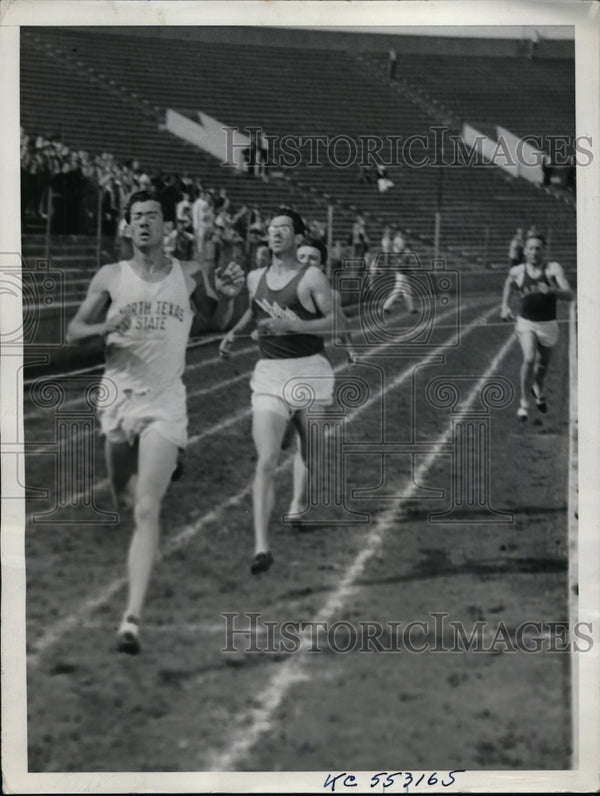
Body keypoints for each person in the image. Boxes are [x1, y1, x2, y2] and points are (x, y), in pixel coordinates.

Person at [66, 190, 245, 653]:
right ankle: (149, 472)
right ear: (127, 227)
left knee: (147, 508)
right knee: (123, 494)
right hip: (117, 399)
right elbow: (73, 332)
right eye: (137, 217)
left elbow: (211, 321)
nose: (145, 222)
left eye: (153, 216)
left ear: (168, 227)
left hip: (166, 401)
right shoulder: (110, 275)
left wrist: (225, 299)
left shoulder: (188, 274)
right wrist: (101, 329)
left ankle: (131, 620)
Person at [218, 209, 336, 575]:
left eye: (284, 229)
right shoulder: (255, 277)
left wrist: (289, 324)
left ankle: (300, 498)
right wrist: (234, 330)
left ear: (299, 238)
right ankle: (261, 547)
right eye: (271, 229)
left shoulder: (312, 276)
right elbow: (253, 313)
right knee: (266, 460)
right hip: (269, 375)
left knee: (312, 453)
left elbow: (335, 322)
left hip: (308, 373)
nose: (275, 234)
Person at [500, 233, 573, 421]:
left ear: (544, 250)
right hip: (526, 322)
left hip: (548, 324)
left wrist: (552, 290)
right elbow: (509, 284)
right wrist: (505, 307)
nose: (534, 252)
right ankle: (524, 403)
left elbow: (569, 294)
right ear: (524, 251)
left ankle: (538, 388)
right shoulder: (518, 271)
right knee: (530, 358)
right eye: (531, 248)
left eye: (538, 248)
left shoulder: (552, 269)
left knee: (542, 366)